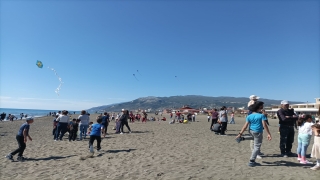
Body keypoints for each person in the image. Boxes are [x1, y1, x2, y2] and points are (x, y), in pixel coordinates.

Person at [235, 101, 272, 167]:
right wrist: (268, 134)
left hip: (251, 131)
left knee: (253, 137)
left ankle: (242, 138)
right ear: (259, 107)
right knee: (257, 147)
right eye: (262, 106)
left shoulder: (249, 116)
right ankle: (252, 161)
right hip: (258, 131)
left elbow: (245, 126)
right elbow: (264, 125)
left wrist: (240, 134)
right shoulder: (261, 115)